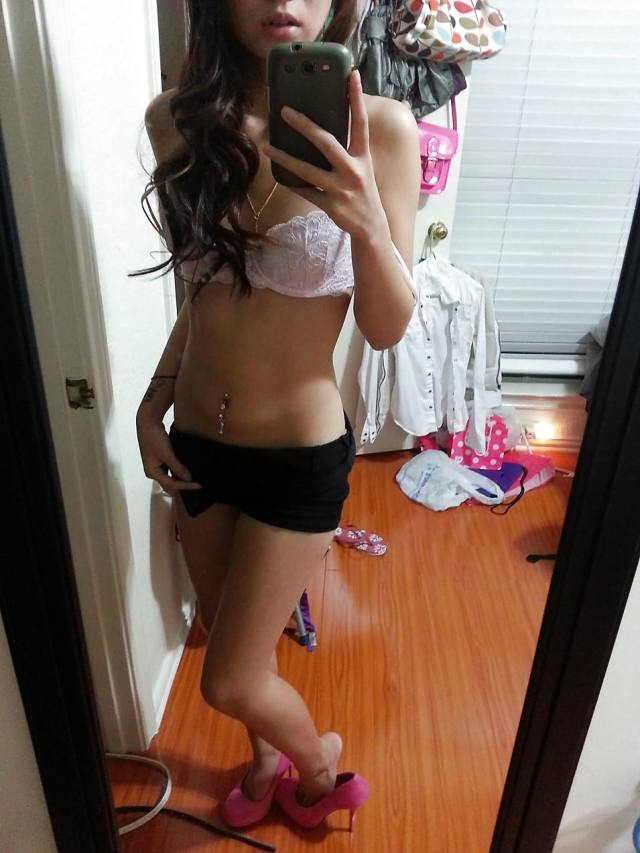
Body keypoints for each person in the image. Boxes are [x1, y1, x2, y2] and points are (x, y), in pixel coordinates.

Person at [134, 0, 420, 834]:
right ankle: (265, 762)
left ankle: (320, 765)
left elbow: (387, 326)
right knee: (232, 635)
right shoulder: (177, 121)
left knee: (227, 677)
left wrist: (366, 222)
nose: (282, 1)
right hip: (196, 443)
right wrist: (152, 402)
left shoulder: (382, 130)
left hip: (297, 453)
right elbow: (205, 289)